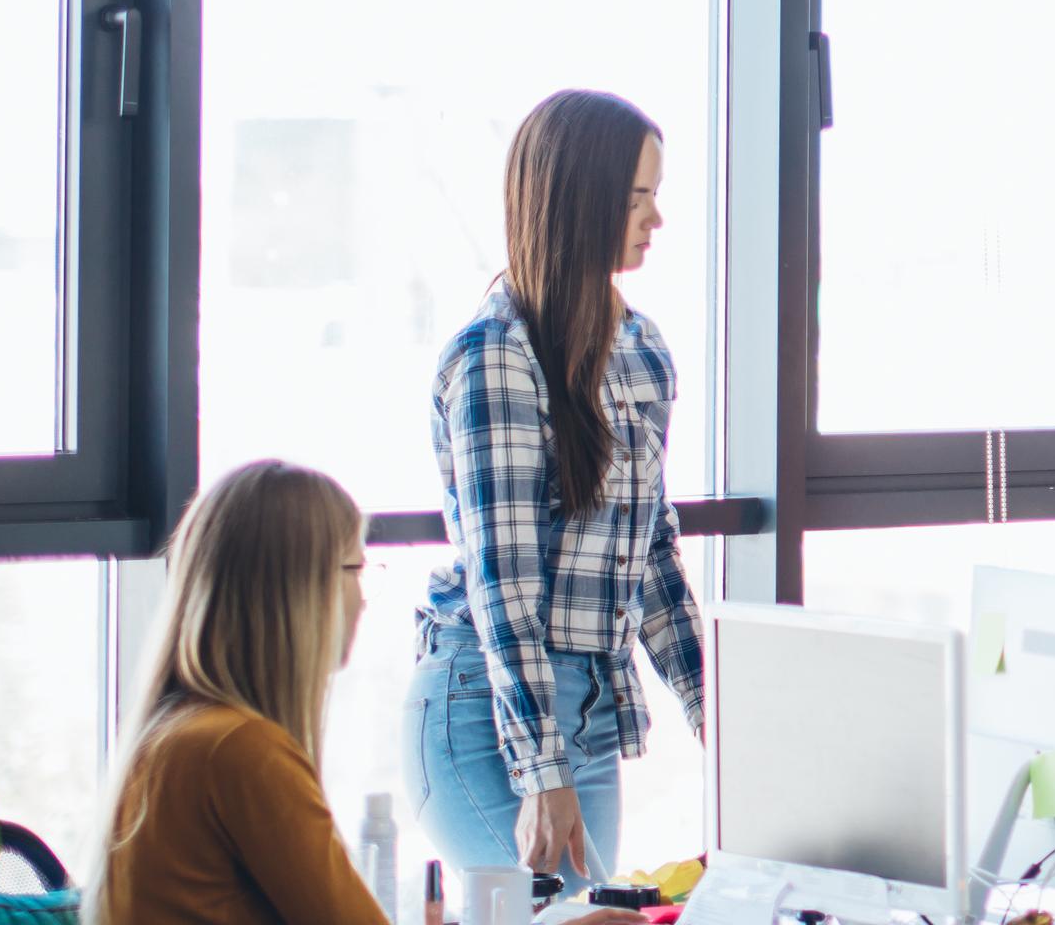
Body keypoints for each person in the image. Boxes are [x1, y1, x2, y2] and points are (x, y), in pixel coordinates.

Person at [102, 460, 644, 925]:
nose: (362, 599)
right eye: (354, 570)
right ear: (295, 590)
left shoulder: (182, 733)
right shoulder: (240, 750)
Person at [414, 88, 708, 893]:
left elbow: (650, 558)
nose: (656, 219)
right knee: (567, 917)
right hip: (484, 705)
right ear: (581, 202)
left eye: (657, 195)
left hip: (585, 714)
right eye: (637, 197)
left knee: (599, 916)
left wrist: (717, 712)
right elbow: (503, 583)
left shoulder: (641, 350)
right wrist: (544, 773)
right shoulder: (493, 357)